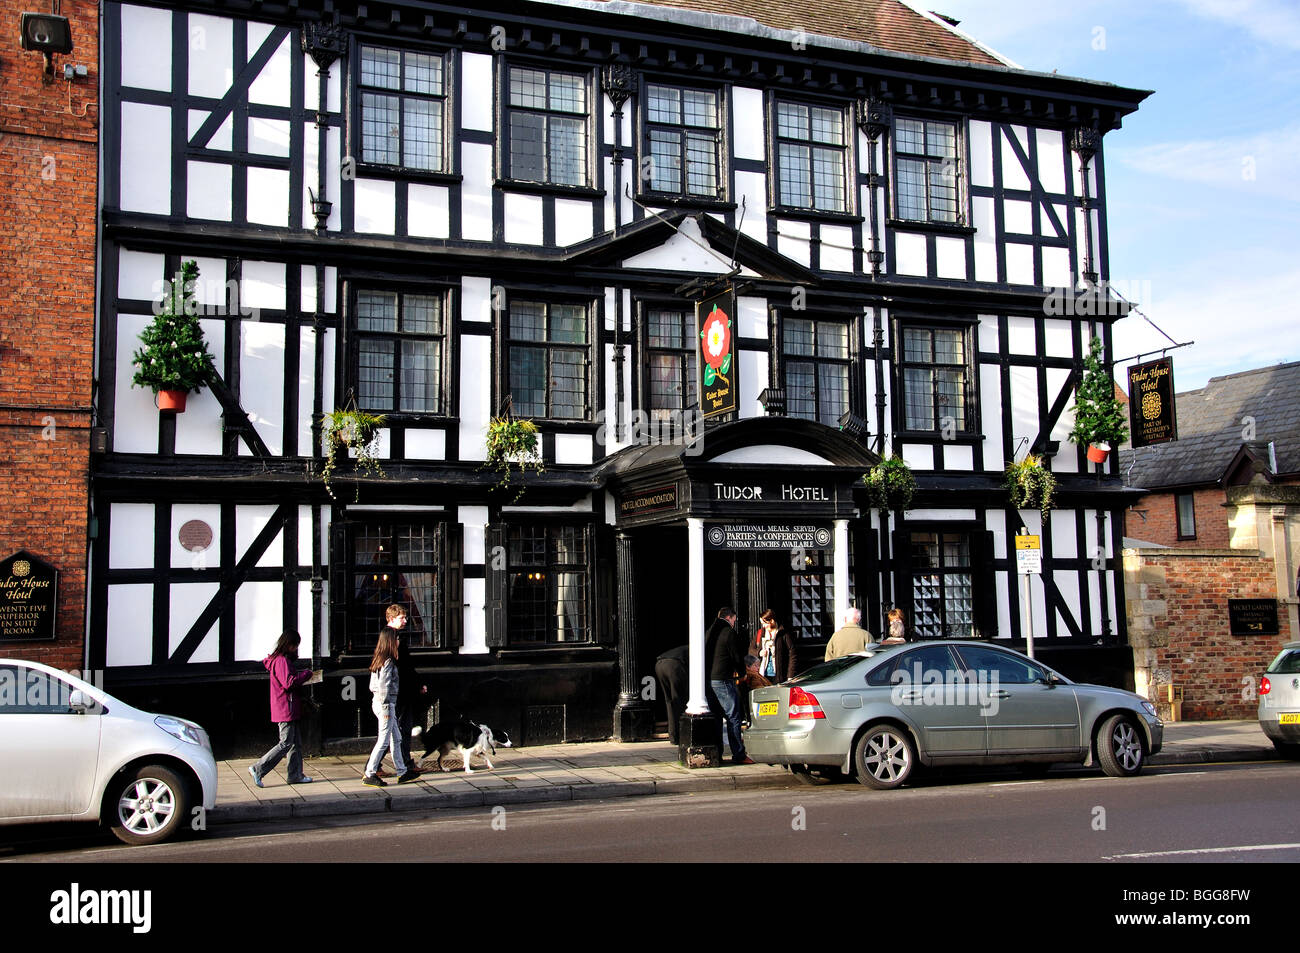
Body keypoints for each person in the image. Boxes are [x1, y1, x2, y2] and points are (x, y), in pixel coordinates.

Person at [249, 631, 315, 788]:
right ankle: (258, 768)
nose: (296, 649)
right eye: (295, 645)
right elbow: (289, 683)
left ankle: (295, 775)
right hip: (286, 706)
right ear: (289, 645)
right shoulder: (281, 661)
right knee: (286, 742)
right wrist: (306, 675)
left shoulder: (279, 661)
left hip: (288, 706)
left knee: (295, 743)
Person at [363, 627, 420, 786]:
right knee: (383, 740)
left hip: (384, 703)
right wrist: (387, 705)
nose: (398, 642)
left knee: (397, 738)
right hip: (386, 704)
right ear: (390, 641)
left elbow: (372, 685)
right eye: (396, 639)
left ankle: (402, 772)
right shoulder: (388, 660)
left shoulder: (380, 658)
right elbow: (384, 685)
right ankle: (370, 772)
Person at [376, 604, 425, 776]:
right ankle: (375, 766)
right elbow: (401, 667)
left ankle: (403, 765)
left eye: (405, 617)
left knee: (399, 730)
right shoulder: (390, 638)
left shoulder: (396, 637)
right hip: (398, 693)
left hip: (402, 691)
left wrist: (418, 683)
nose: (405, 621)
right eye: (401, 618)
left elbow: (406, 666)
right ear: (391, 619)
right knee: (395, 731)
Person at [706, 606, 751, 765]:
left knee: (717, 717)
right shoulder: (728, 632)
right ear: (730, 617)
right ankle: (739, 754)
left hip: (710, 680)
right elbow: (736, 656)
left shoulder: (709, 631)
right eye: (734, 620)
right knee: (734, 716)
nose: (734, 623)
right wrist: (742, 673)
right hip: (723, 679)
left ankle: (718, 753)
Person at [654, 644, 689, 744]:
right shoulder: (700, 650)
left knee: (670, 702)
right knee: (679, 700)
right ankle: (680, 735)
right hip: (674, 665)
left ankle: (673, 736)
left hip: (660, 664)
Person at [757, 609, 797, 683]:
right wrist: (759, 652)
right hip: (764, 674)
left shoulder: (783, 633)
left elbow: (792, 654)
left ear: (772, 621)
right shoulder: (762, 632)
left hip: (779, 675)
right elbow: (752, 649)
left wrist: (790, 676)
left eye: (765, 623)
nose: (763, 626)